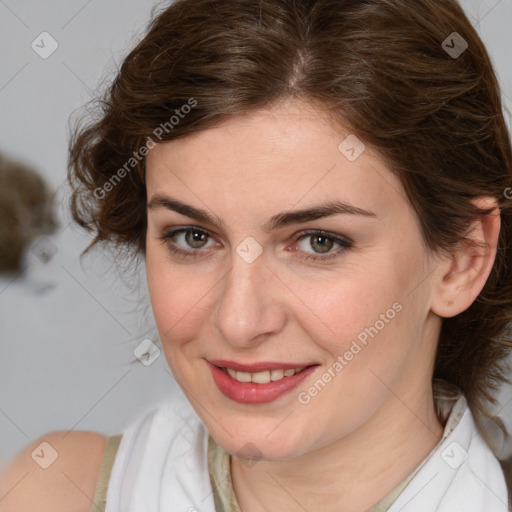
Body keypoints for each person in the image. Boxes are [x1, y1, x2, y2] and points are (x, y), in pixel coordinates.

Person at [1, 0, 512, 510]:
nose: (239, 321)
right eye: (193, 237)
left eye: (319, 242)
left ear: (462, 260)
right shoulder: (50, 493)